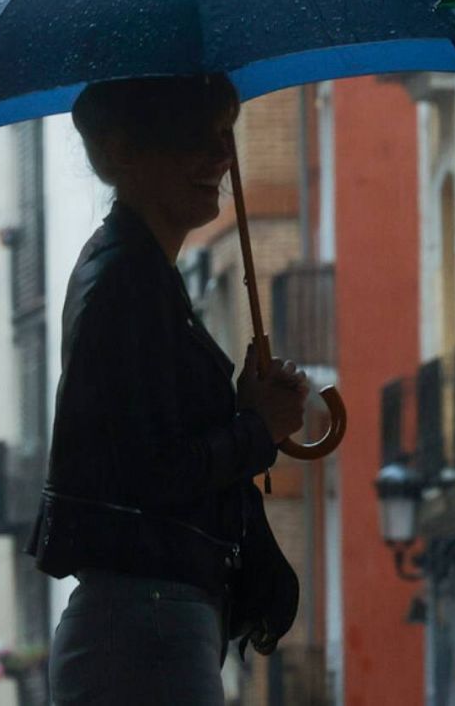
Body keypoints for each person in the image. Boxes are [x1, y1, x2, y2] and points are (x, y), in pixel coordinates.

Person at [28, 74, 308, 704]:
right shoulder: (127, 282)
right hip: (146, 627)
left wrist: (244, 415)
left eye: (223, 136)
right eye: (193, 137)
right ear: (121, 150)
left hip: (148, 625)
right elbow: (147, 473)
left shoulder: (140, 275)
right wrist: (257, 428)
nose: (222, 159)